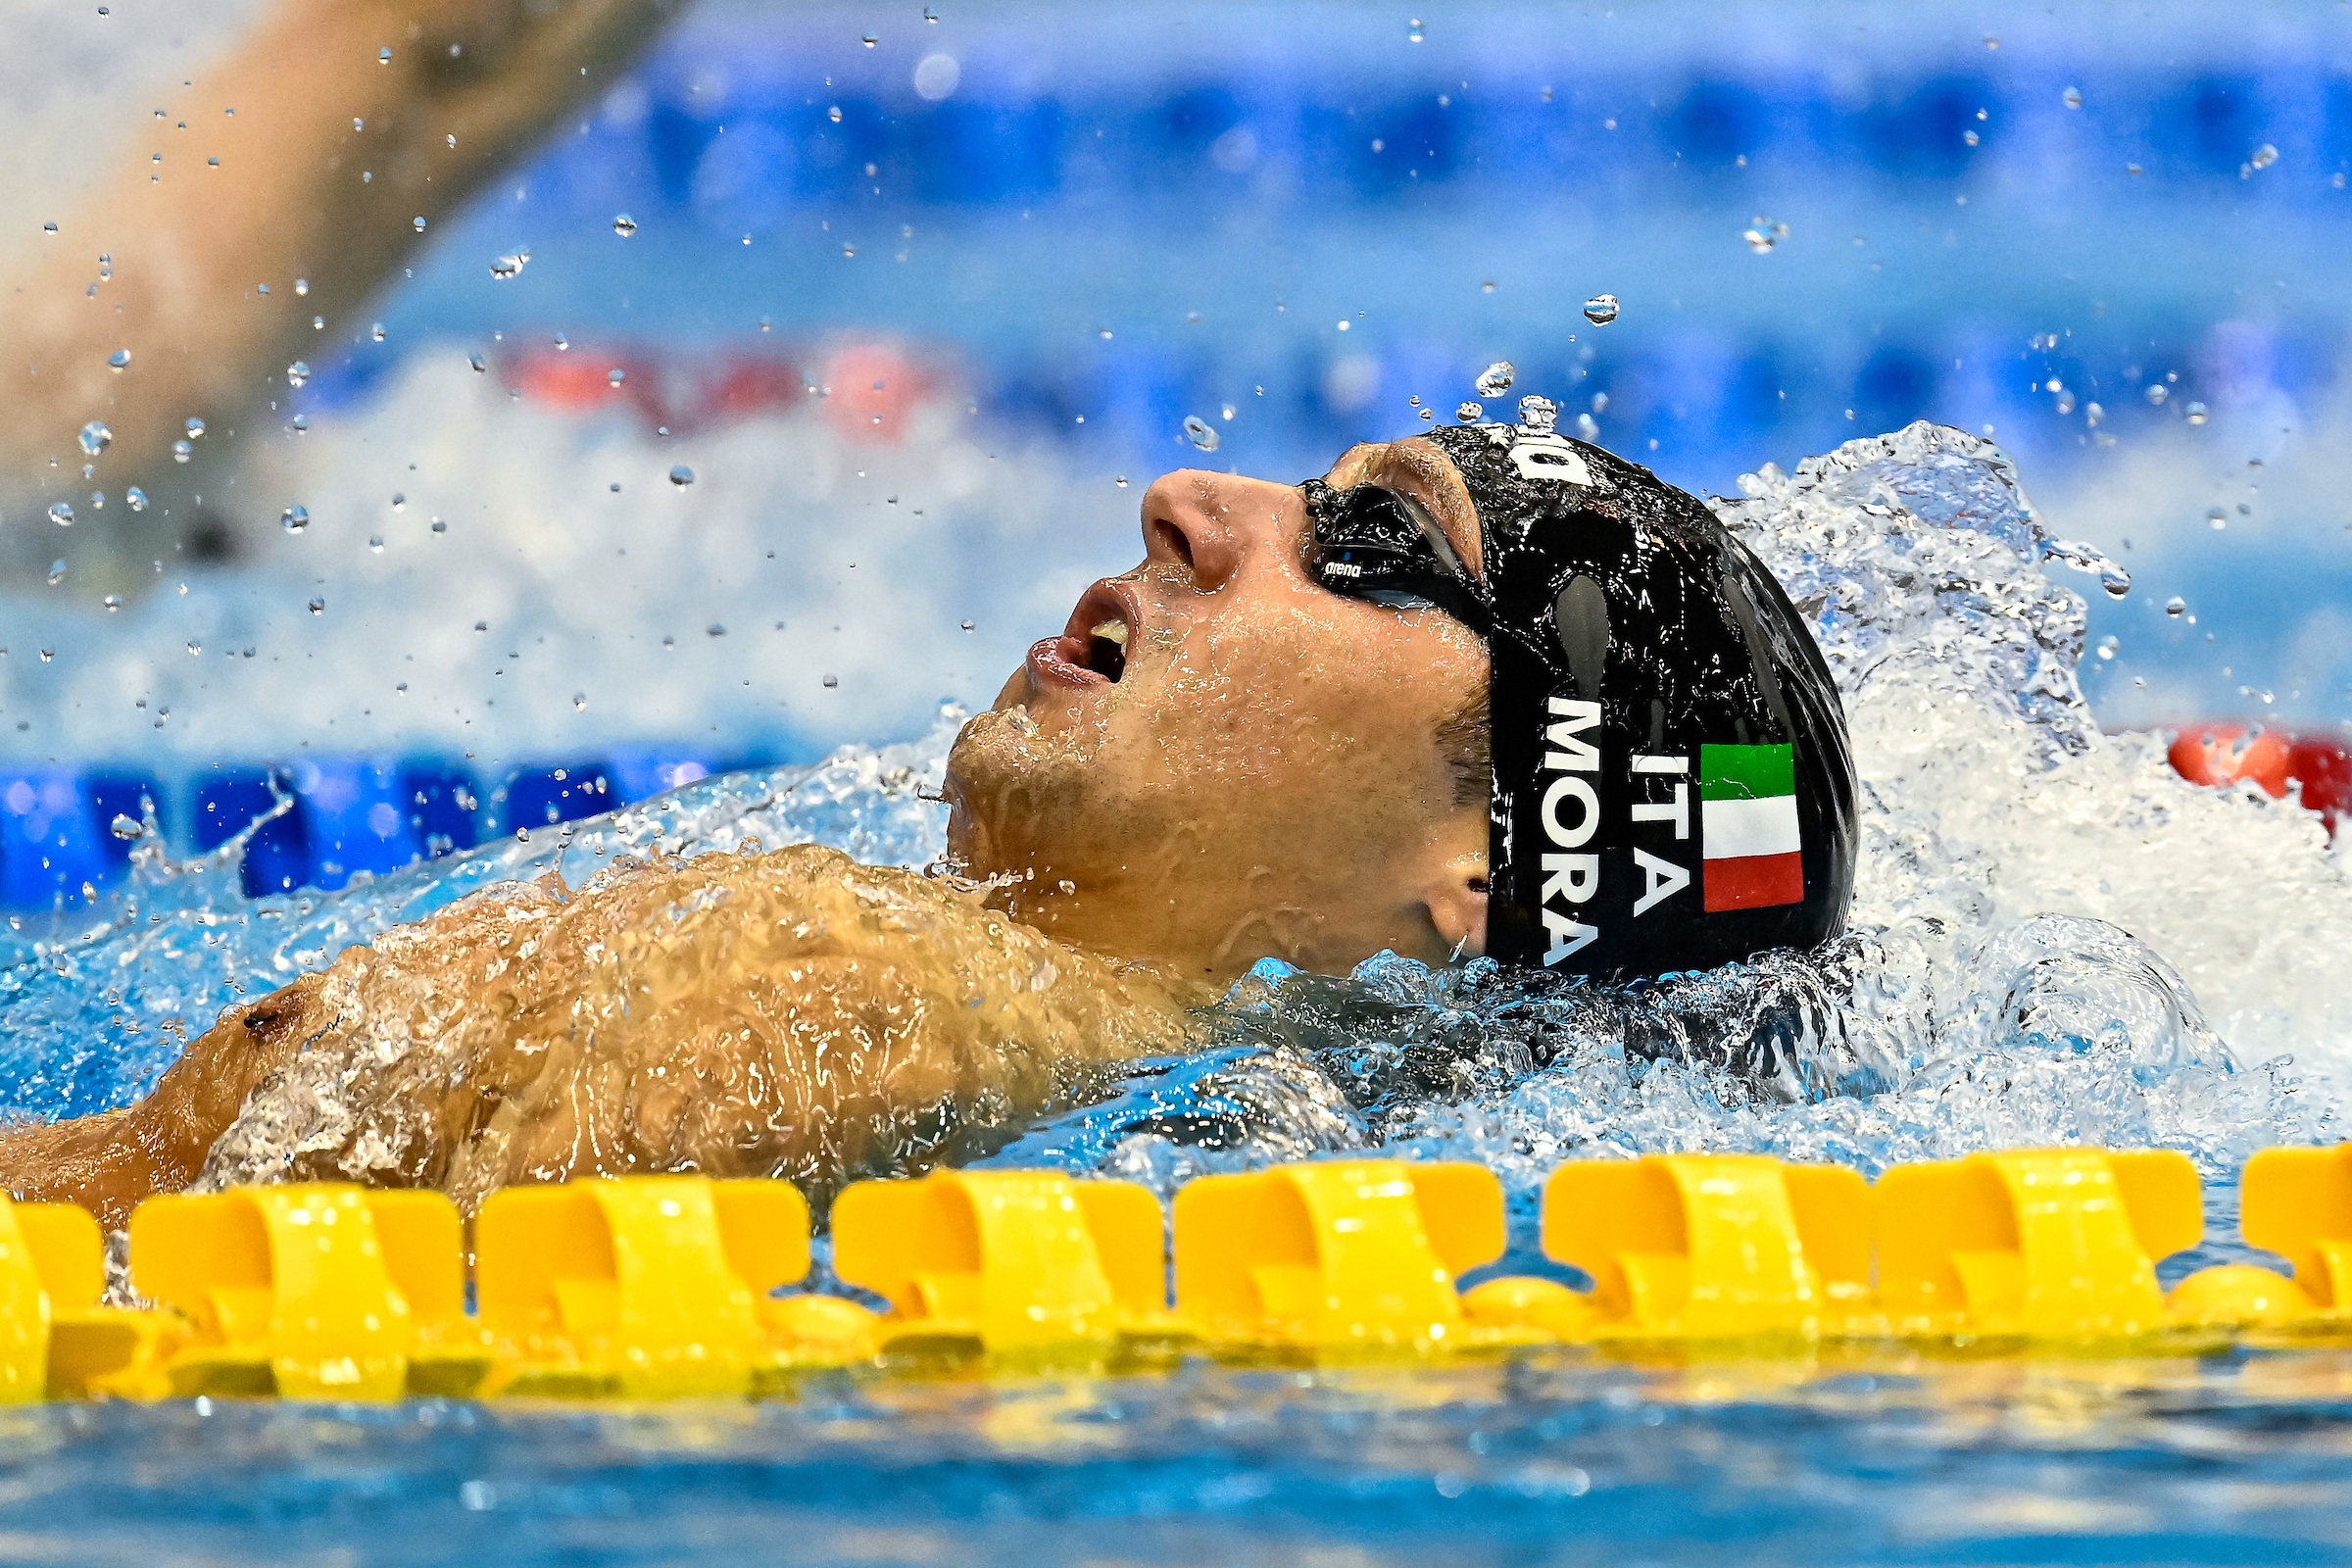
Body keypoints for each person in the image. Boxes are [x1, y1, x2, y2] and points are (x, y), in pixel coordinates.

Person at [0, 421, 1855, 1225]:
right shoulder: (1001, 1033)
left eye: (1361, 547)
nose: (1192, 499)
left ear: (1484, 874)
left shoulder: (876, 990)